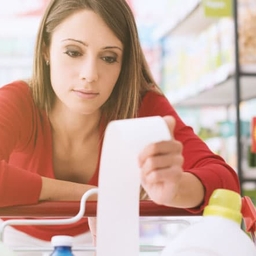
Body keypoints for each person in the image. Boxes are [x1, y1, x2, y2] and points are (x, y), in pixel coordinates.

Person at [0, 0, 240, 255]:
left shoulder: (140, 105)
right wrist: (93, 196)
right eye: (73, 52)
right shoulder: (18, 100)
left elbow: (225, 182)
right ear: (46, 49)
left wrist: (178, 188)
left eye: (108, 57)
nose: (90, 74)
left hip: (102, 241)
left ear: (123, 64)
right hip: (18, 239)